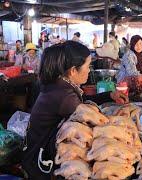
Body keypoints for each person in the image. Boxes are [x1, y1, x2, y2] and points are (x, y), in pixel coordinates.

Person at [22, 41, 128, 179]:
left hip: (33, 150)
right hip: (41, 160)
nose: (90, 70)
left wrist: (110, 95)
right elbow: (91, 122)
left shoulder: (60, 83)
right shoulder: (64, 96)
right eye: (87, 66)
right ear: (73, 70)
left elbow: (82, 103)